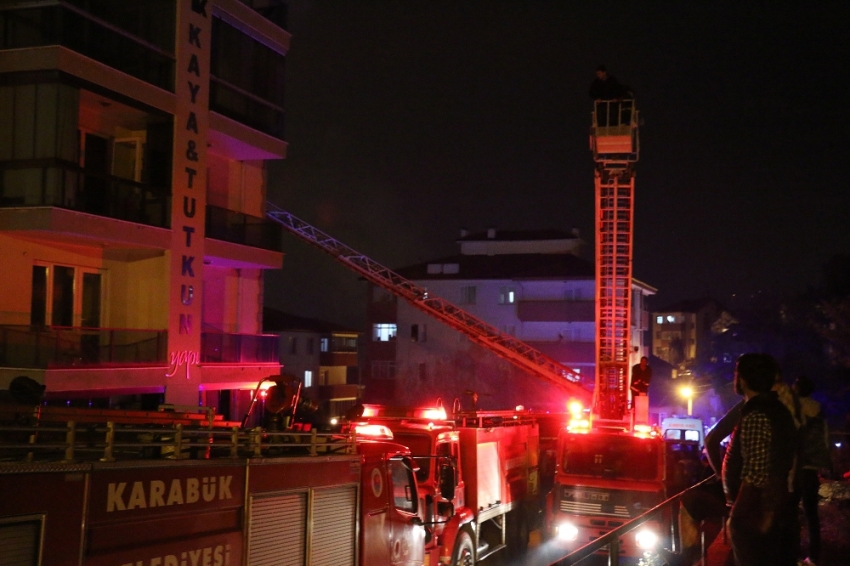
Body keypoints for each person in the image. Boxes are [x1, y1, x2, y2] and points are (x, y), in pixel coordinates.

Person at [722, 353, 798, 566]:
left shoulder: (757, 414)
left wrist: (737, 515)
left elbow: (756, 472)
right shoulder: (779, 411)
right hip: (775, 509)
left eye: (736, 373)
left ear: (742, 380)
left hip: (757, 513)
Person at [793, 375, 831, 566]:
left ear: (797, 388)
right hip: (811, 469)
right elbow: (824, 439)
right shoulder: (819, 410)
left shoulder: (793, 406)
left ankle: (791, 553)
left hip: (794, 468)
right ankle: (813, 557)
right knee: (811, 514)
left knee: (789, 513)